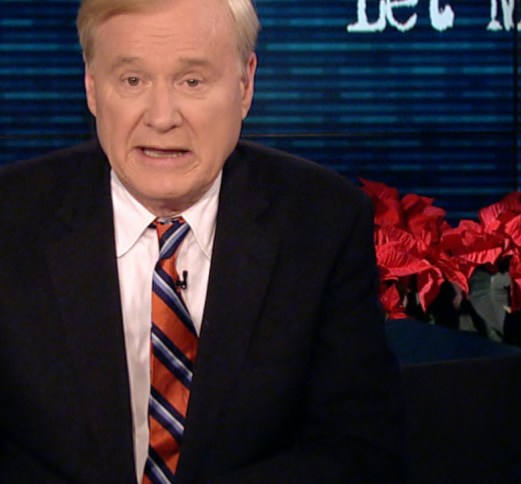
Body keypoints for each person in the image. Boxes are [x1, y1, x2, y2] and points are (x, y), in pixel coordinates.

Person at [0, 0, 405, 482]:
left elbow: (359, 448)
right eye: (132, 80)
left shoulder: (322, 223)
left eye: (192, 81)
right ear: (91, 85)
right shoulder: (11, 221)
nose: (161, 117)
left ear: (245, 84)